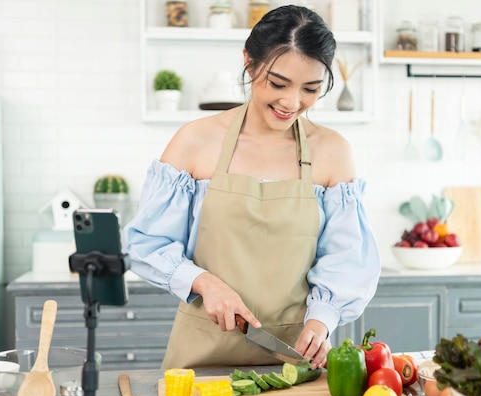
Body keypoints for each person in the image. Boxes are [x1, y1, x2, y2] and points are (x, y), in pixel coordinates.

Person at [123, 5, 380, 370]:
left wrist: (322, 320)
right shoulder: (195, 141)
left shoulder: (333, 151)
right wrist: (203, 282)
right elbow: (146, 243)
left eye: (311, 89)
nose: (292, 103)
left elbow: (348, 259)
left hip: (294, 359)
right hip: (201, 357)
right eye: (278, 84)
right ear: (248, 61)